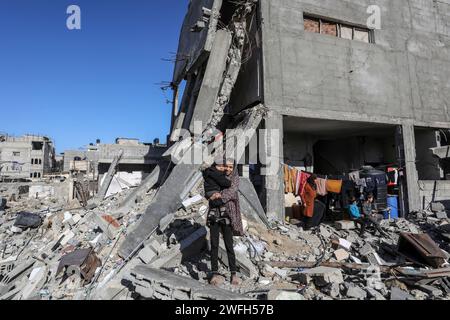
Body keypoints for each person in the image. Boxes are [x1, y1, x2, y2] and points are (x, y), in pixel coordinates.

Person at [204, 159, 244, 287]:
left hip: (228, 215)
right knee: (214, 244)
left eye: (231, 167)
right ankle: (214, 273)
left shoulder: (234, 178)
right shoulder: (216, 175)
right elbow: (206, 189)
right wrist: (210, 196)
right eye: (226, 166)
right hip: (214, 215)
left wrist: (215, 199)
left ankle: (233, 274)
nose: (228, 169)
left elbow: (230, 193)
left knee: (229, 245)